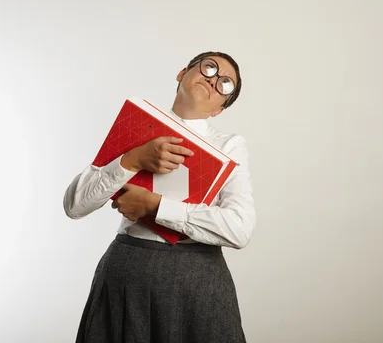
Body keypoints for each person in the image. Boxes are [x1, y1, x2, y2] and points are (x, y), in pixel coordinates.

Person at [63, 51, 256, 342]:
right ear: (182, 73)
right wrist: (132, 160)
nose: (214, 79)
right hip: (128, 269)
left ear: (220, 109)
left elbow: (240, 229)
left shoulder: (229, 146)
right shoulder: (136, 126)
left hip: (198, 278)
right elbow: (75, 205)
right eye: (209, 68)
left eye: (225, 83)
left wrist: (155, 206)